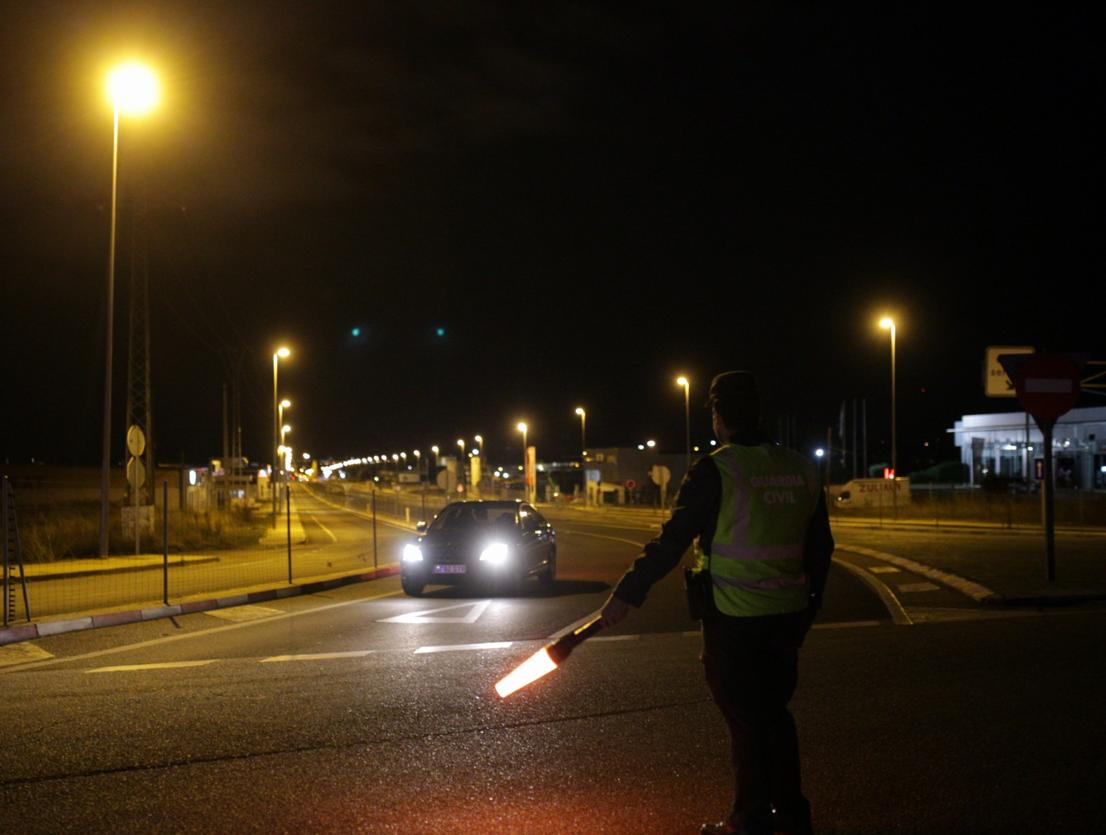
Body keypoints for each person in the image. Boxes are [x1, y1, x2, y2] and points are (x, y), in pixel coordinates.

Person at [600, 370, 834, 835]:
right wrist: (807, 612)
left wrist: (627, 593)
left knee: (747, 721)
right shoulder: (801, 468)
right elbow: (821, 549)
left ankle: (749, 821)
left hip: (734, 619)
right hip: (786, 617)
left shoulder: (717, 469)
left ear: (718, 414)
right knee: (774, 716)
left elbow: (672, 542)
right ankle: (791, 817)